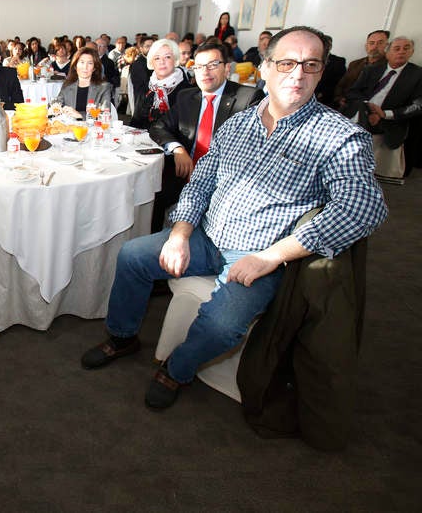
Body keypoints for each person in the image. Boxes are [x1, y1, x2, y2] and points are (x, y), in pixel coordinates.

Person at [80, 26, 387, 411]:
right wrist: (179, 232)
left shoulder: (339, 136)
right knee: (132, 256)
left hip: (263, 254)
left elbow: (363, 209)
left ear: (322, 72)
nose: (298, 74)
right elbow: (202, 181)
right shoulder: (239, 124)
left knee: (223, 323)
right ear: (265, 68)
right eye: (287, 63)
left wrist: (272, 256)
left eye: (310, 65)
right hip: (207, 236)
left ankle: (177, 368)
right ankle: (123, 336)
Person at [149, 42, 264, 232]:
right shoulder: (187, 96)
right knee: (151, 195)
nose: (205, 72)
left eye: (213, 65)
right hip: (184, 174)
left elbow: (249, 150)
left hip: (221, 182)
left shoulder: (248, 98)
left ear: (227, 68)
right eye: (199, 66)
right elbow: (159, 126)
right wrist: (178, 149)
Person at [344, 36, 422, 184]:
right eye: (396, 48)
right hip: (363, 110)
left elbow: (418, 105)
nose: (401, 52)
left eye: (406, 48)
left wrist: (385, 114)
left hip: (391, 117)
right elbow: (353, 92)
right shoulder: (371, 69)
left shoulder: (417, 74)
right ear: (387, 53)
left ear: (412, 52)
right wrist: (368, 108)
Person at [130, 39, 191, 129]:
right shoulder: (147, 89)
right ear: (152, 62)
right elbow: (135, 123)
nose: (162, 62)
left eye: (167, 57)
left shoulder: (187, 93)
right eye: (157, 58)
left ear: (175, 60)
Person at [335, 30, 390, 111]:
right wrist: (339, 98)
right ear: (366, 46)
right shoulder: (354, 64)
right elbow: (341, 84)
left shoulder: (389, 67)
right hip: (345, 105)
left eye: (380, 43)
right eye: (371, 43)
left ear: (387, 46)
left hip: (368, 110)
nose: (375, 47)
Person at [54, 47, 113, 119]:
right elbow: (58, 104)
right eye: (82, 62)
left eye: (90, 63)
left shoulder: (103, 87)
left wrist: (80, 115)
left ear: (94, 68)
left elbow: (104, 114)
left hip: (92, 128)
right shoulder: (67, 85)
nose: (85, 67)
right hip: (69, 127)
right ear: (75, 65)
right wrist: (55, 108)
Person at [314, 36, 346, 107]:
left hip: (327, 98)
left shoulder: (339, 61)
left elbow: (339, 82)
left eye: (327, 44)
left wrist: (322, 93)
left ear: (330, 46)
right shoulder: (311, 59)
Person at [129, 36, 155, 109]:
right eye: (147, 46)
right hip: (144, 102)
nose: (151, 49)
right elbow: (147, 85)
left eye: (153, 46)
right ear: (141, 49)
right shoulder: (138, 64)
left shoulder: (155, 61)